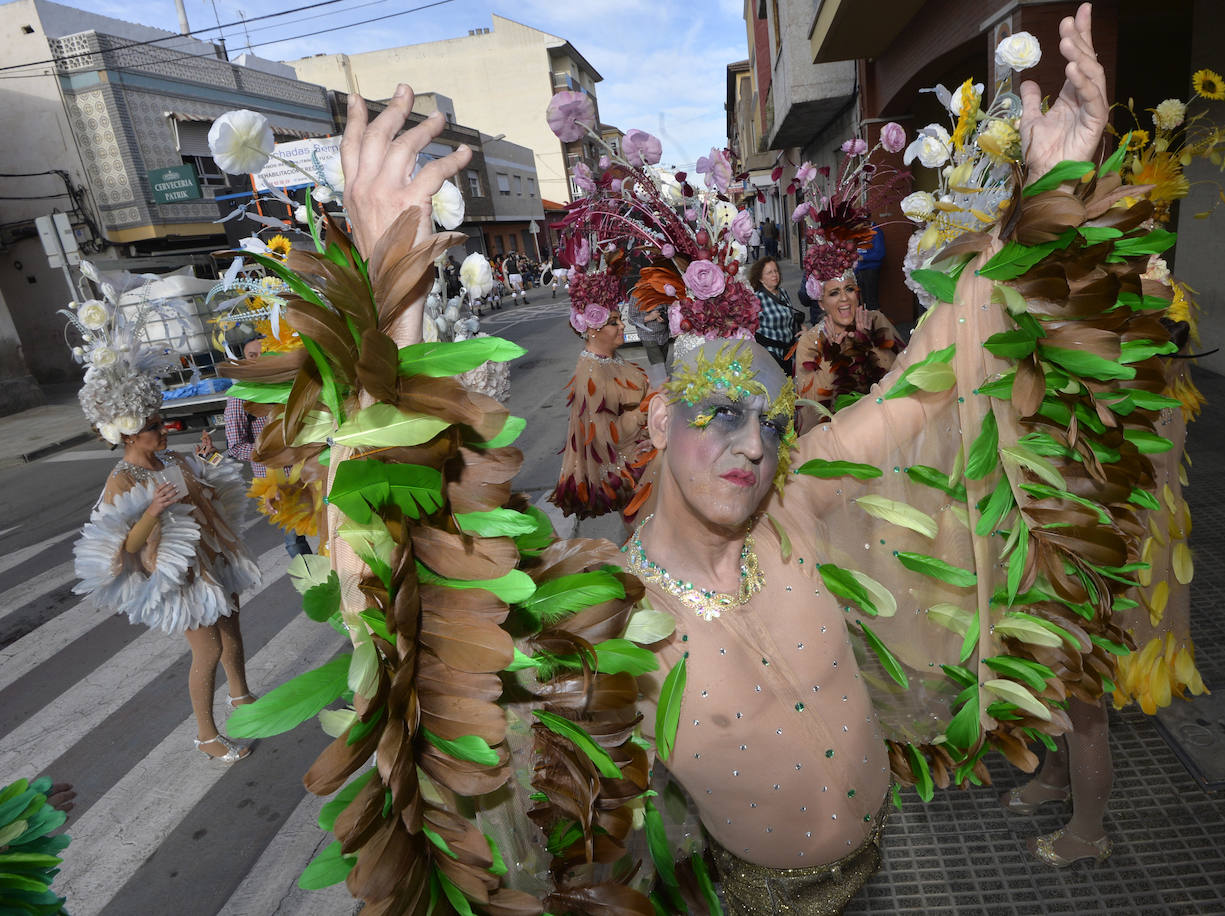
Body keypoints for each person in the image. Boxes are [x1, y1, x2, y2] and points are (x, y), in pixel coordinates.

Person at [251, 6, 1153, 908]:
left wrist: (1056, 186)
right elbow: (408, 609)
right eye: (718, 412)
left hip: (879, 881)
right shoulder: (614, 617)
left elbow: (933, 368)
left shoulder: (798, 504)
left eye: (767, 417)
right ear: (657, 421)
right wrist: (392, 299)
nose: (751, 441)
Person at [69, 273, 261, 763]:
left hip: (211, 560)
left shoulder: (170, 459)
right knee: (208, 651)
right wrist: (152, 512)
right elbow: (126, 548)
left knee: (233, 633)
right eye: (154, 426)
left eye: (161, 422)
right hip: (179, 577)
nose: (163, 429)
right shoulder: (123, 480)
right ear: (129, 432)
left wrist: (207, 461)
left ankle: (243, 700)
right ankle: (206, 735)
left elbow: (203, 496)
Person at [550, 264, 652, 521]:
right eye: (613, 322)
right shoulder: (592, 372)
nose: (621, 326)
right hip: (633, 475)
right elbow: (606, 438)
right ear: (593, 328)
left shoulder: (611, 359)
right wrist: (648, 409)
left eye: (620, 319)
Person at [223, 336, 313, 557]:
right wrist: (272, 453)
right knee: (293, 538)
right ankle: (316, 584)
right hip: (277, 479)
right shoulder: (240, 396)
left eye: (265, 352)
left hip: (311, 467)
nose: (260, 359)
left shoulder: (294, 385)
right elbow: (235, 445)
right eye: (253, 355)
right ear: (246, 361)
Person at [793, 272, 902, 433]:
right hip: (840, 437)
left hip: (886, 425)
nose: (844, 298)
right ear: (822, 303)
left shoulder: (876, 320)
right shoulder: (809, 342)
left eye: (849, 289)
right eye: (834, 293)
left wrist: (868, 343)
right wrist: (832, 356)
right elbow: (813, 410)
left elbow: (899, 376)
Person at [749, 255, 800, 371]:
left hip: (789, 353)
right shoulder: (756, 299)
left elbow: (789, 316)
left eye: (776, 271)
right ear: (761, 279)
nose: (774, 275)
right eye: (769, 272)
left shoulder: (783, 293)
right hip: (771, 355)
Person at [853, 222, 885, 311]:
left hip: (870, 269)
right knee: (860, 301)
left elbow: (880, 254)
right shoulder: (858, 230)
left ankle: (876, 323)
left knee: (871, 301)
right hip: (859, 269)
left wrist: (863, 257)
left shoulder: (876, 230)